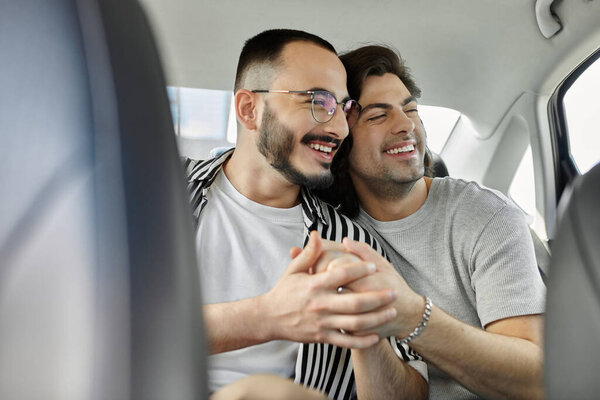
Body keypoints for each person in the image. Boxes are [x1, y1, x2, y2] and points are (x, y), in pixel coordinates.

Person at [184, 30, 427, 399]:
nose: (340, 128)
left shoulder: (354, 246)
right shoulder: (151, 192)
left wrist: (365, 332)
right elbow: (84, 325)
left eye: (344, 108)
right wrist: (266, 316)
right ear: (250, 110)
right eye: (318, 101)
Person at [316, 45, 546, 399]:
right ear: (341, 142)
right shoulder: (330, 229)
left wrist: (412, 316)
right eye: (378, 116)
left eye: (410, 109)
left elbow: (536, 380)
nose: (406, 125)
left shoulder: (487, 216)